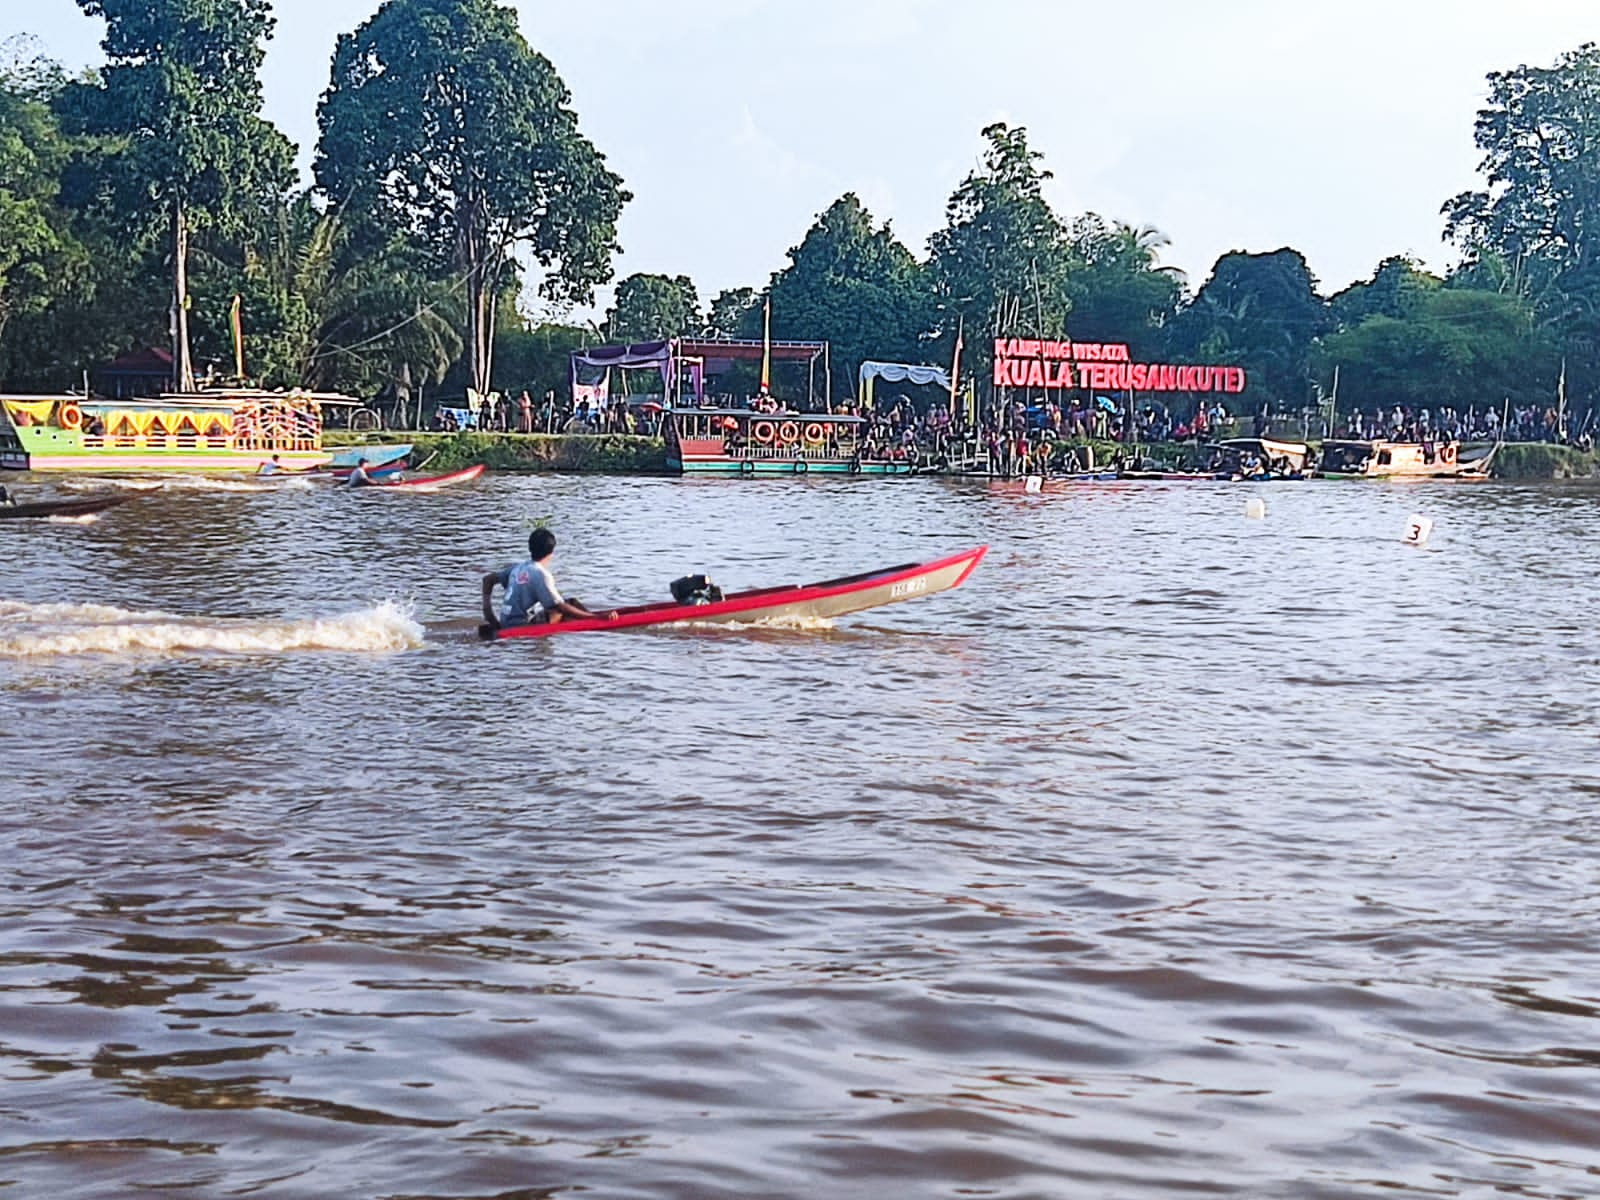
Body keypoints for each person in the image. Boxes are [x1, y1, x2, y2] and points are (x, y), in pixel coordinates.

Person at [481, 527, 618, 630]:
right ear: (551, 552)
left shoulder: (518, 567)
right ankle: (594, 623)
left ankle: (589, 618)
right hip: (520, 626)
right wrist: (597, 617)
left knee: (564, 605)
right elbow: (561, 607)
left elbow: (487, 580)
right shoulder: (541, 573)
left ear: (530, 548)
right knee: (569, 604)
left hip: (505, 621)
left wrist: (489, 615)